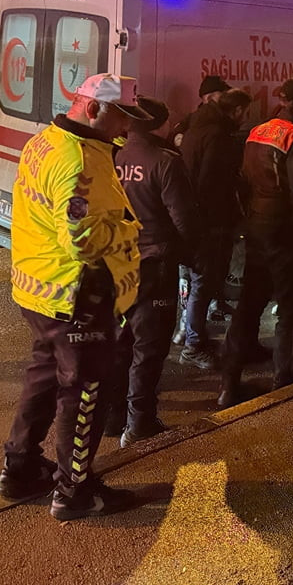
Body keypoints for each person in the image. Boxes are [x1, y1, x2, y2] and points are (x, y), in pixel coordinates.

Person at [0, 73, 149, 521]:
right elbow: (82, 241)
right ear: (93, 109)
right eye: (122, 116)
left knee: (43, 379)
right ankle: (74, 492)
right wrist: (129, 227)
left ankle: (20, 468)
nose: (129, 128)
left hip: (39, 290)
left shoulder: (44, 140)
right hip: (76, 294)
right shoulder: (81, 161)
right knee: (83, 393)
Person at [219, 78, 293, 407]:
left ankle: (229, 383)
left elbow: (241, 179)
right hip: (284, 228)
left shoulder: (257, 130)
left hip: (256, 223)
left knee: (250, 301)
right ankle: (284, 380)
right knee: (290, 304)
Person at [106, 97, 200, 446]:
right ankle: (140, 422)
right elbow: (184, 221)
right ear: (159, 125)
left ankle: (114, 417)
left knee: (120, 343)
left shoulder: (113, 157)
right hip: (153, 265)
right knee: (149, 347)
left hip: (117, 263)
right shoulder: (165, 163)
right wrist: (191, 256)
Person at [177, 87, 252, 369]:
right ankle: (193, 344)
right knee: (202, 283)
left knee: (197, 282)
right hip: (210, 222)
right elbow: (214, 182)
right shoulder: (219, 137)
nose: (246, 118)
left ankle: (193, 336)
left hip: (196, 218)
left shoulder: (200, 127)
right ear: (235, 111)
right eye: (244, 113)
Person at [171, 74, 230, 149]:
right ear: (209, 98)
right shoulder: (191, 120)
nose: (226, 98)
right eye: (223, 94)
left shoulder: (228, 115)